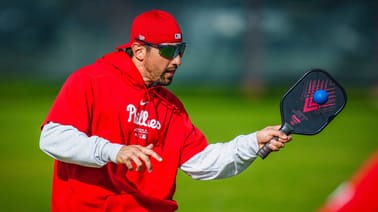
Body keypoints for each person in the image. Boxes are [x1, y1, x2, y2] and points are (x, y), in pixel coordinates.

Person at [39, 9, 291, 211]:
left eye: (180, 51)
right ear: (139, 50)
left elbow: (202, 162)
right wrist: (113, 151)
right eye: (168, 51)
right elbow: (52, 138)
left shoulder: (171, 107)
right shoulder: (90, 80)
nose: (178, 60)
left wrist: (253, 142)